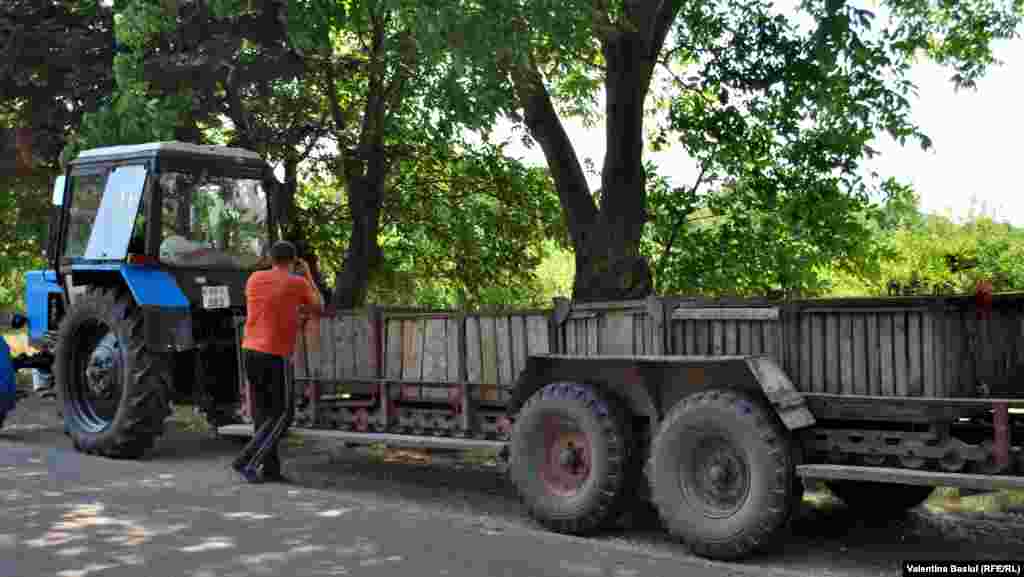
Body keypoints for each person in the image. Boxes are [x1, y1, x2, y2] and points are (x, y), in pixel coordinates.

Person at [233, 240, 323, 482]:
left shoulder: (253, 279)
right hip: (275, 354)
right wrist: (307, 274)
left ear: (271, 259)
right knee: (283, 414)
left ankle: (270, 469)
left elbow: (271, 304)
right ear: (293, 261)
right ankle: (247, 461)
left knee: (264, 415)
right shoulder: (297, 283)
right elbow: (318, 305)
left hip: (250, 351)